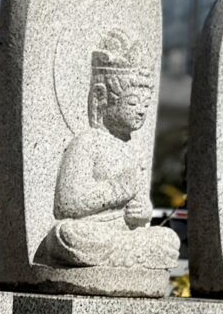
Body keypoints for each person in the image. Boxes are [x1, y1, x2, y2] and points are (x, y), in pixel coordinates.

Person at [35, 30, 178, 273]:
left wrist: (142, 212)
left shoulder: (134, 151)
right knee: (66, 235)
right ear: (102, 97)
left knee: (169, 239)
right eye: (132, 103)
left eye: (145, 104)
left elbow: (139, 210)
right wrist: (117, 190)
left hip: (123, 234)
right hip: (91, 229)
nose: (141, 111)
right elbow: (67, 204)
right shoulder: (87, 143)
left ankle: (125, 253)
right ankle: (128, 255)